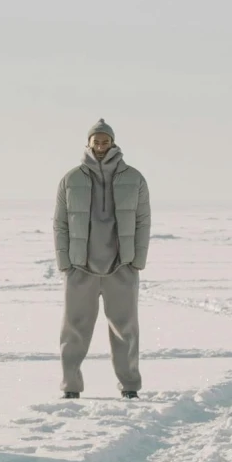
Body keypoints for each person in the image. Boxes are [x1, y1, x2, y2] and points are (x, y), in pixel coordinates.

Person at [54, 118, 151, 399]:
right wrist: (65, 263)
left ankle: (130, 386)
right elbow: (60, 223)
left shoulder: (134, 178)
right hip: (80, 267)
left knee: (126, 330)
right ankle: (70, 387)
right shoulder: (71, 179)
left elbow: (143, 221)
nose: (100, 145)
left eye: (105, 140)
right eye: (96, 141)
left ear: (112, 143)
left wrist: (137, 261)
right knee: (73, 330)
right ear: (89, 143)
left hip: (121, 266)